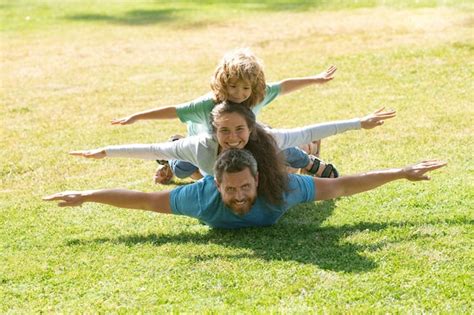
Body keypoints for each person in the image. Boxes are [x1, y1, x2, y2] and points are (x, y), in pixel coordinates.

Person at [71, 102, 396, 202]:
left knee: (287, 155)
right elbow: (149, 147)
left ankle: (309, 159)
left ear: (250, 127)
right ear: (213, 131)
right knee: (184, 168)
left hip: (269, 155)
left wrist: (359, 123)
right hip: (200, 162)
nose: (233, 137)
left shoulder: (262, 136)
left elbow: (311, 130)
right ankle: (171, 165)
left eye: (240, 130)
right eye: (224, 131)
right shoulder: (200, 146)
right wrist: (106, 151)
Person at [44, 149, 446, 229]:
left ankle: (305, 151)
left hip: (283, 169)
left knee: (297, 161)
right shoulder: (199, 197)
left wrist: (399, 172)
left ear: (257, 181)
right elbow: (146, 200)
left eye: (245, 188)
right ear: (214, 184)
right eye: (230, 189)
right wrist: (88, 194)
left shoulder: (282, 188)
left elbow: (340, 187)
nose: (238, 196)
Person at [110, 48, 337, 183]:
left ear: (255, 87)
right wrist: (137, 116)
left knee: (276, 151)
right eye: (233, 87)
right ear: (222, 83)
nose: (239, 94)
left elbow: (284, 86)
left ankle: (310, 162)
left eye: (245, 88)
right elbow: (175, 110)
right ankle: (173, 152)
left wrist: (315, 79)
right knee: (182, 170)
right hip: (209, 148)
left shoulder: (258, 94)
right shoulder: (207, 104)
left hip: (243, 141)